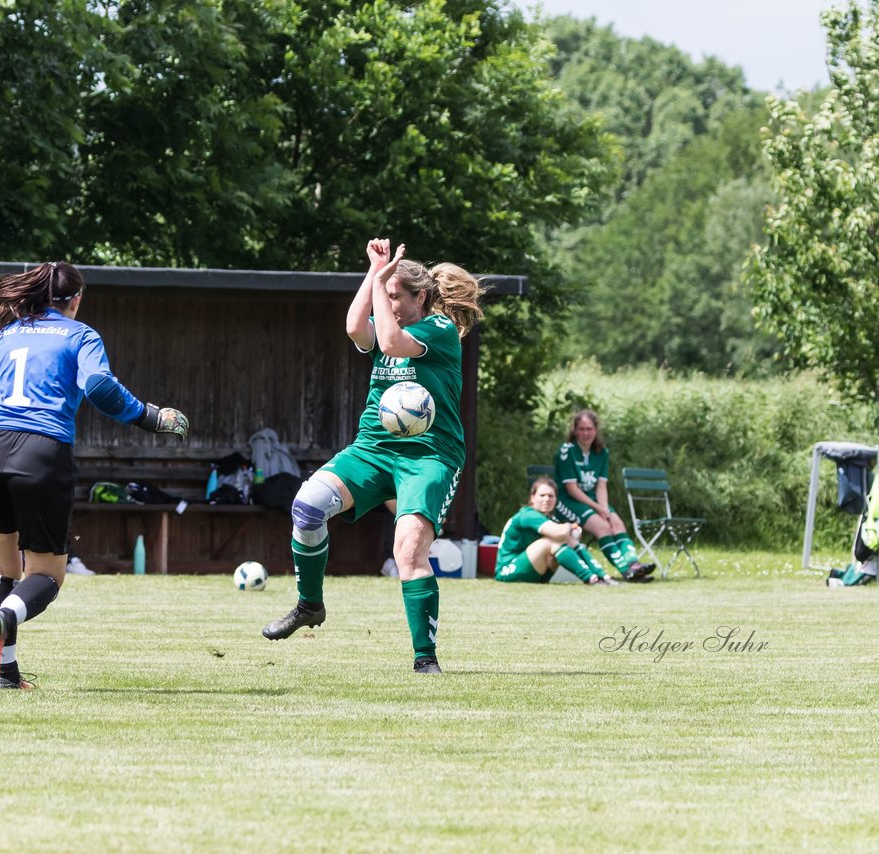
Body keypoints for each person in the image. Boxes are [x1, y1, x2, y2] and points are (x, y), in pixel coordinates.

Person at [0, 261, 189, 689]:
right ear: (75, 300)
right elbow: (99, 386)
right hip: (41, 453)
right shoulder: (80, 335)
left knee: (1, 569)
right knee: (46, 575)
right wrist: (151, 417)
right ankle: (4, 618)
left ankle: (5, 675)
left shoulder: (3, 336)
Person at [261, 238, 485, 675]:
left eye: (396, 296)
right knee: (307, 507)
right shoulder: (389, 320)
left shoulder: (438, 331)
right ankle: (309, 605)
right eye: (388, 296)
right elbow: (355, 329)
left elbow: (388, 339)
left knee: (407, 552)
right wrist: (374, 272)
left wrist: (382, 283)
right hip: (374, 450)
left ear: (421, 297)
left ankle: (425, 659)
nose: (389, 303)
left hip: (429, 457)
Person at [553, 408, 655, 582]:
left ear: (596, 430)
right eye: (581, 429)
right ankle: (626, 571)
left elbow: (601, 485)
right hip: (568, 501)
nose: (585, 433)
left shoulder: (602, 453)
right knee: (602, 527)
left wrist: (604, 508)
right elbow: (572, 489)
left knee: (616, 524)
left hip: (592, 500)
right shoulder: (567, 451)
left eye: (589, 429)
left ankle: (633, 565)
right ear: (575, 430)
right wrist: (598, 508)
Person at [495, 476, 615, 584]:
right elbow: (561, 533)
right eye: (542, 495)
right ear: (532, 498)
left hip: (535, 572)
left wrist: (571, 533)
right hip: (508, 571)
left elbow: (569, 537)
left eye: (551, 496)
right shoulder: (528, 515)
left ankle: (601, 575)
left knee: (563, 540)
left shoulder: (549, 518)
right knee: (552, 541)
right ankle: (590, 578)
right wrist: (568, 526)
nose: (547, 499)